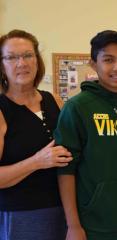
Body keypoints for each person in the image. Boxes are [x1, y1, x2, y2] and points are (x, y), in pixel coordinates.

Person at [54, 30, 117, 240]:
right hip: (92, 224)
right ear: (93, 64)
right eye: (108, 60)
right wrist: (73, 226)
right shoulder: (76, 108)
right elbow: (65, 171)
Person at [0, 29, 72, 240]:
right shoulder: (2, 110)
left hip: (62, 210)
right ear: (2, 66)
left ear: (37, 60)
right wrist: (37, 161)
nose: (21, 63)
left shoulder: (54, 101)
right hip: (21, 215)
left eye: (28, 55)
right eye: (11, 57)